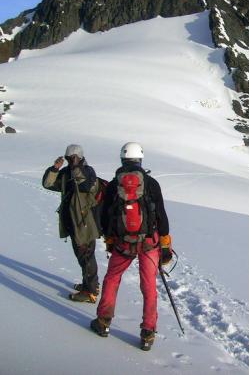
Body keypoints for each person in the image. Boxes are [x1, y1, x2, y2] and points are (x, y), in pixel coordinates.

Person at [90, 142, 172, 351]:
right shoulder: (151, 183)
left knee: (112, 278)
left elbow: (106, 216)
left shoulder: (113, 186)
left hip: (123, 243)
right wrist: (165, 243)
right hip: (149, 243)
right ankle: (148, 333)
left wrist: (110, 240)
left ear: (122, 159)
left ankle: (103, 322)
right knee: (149, 287)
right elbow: (161, 215)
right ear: (140, 159)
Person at [42, 144, 100, 302]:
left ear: (80, 157)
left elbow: (85, 186)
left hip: (84, 222)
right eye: (68, 158)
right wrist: (54, 169)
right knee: (82, 254)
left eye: (72, 158)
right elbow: (48, 184)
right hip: (72, 221)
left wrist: (75, 167)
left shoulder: (88, 171)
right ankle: (90, 284)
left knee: (86, 254)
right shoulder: (67, 172)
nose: (70, 161)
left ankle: (90, 291)